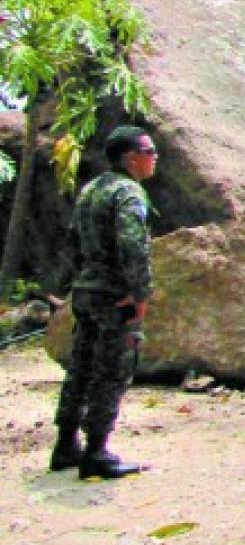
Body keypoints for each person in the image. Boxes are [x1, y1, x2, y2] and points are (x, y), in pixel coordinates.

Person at [50, 126, 157, 479]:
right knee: (113, 368)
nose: (154, 157)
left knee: (80, 366)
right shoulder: (129, 193)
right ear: (130, 157)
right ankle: (96, 450)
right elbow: (133, 247)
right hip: (115, 296)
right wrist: (139, 294)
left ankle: (66, 444)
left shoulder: (90, 190)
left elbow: (72, 243)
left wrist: (77, 284)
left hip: (85, 292)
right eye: (149, 151)